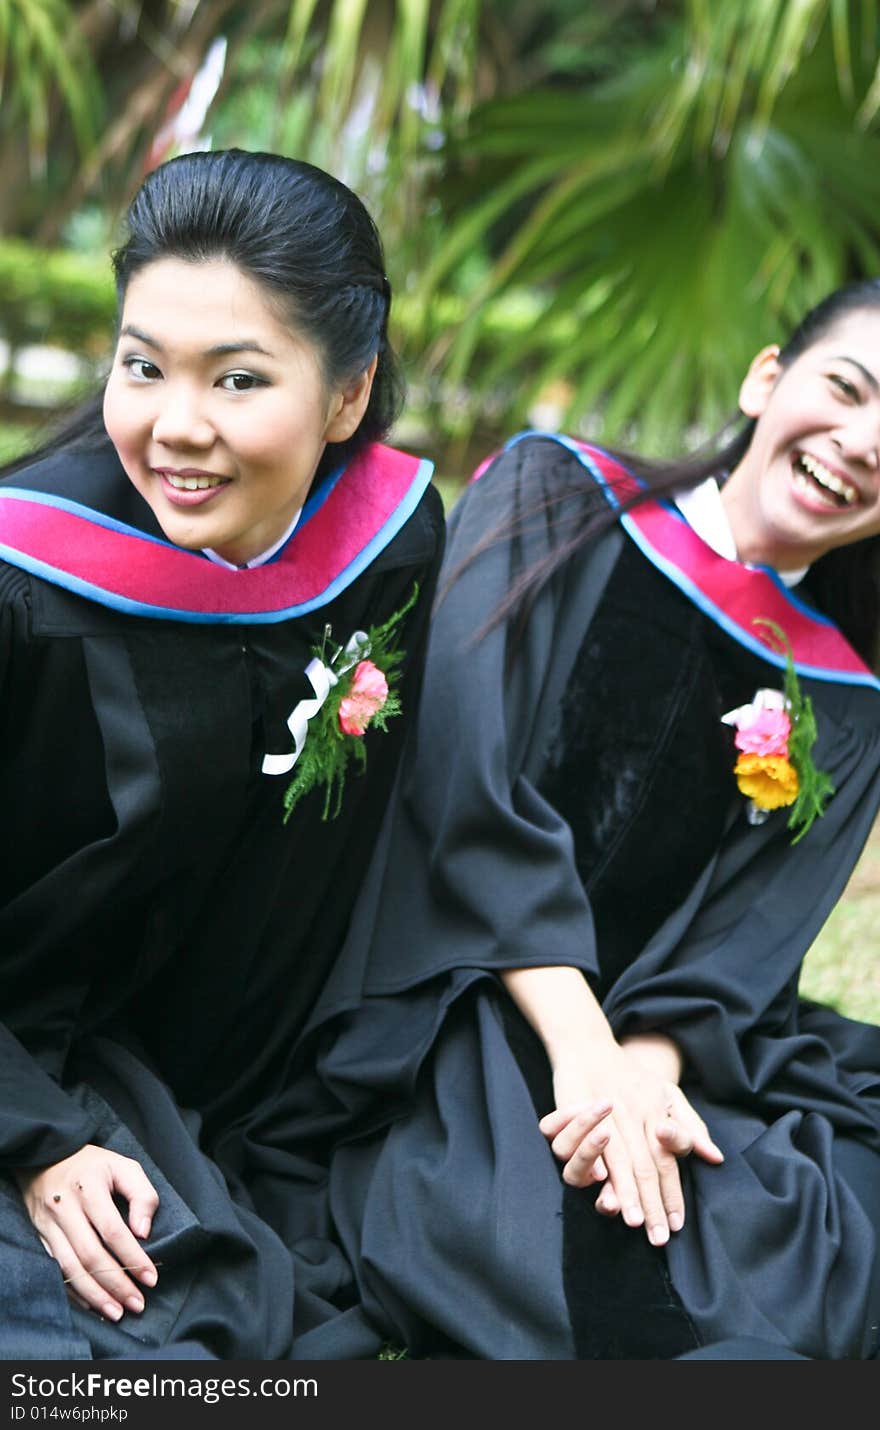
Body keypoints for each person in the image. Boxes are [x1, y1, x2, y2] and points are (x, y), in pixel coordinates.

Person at [277, 280, 880, 1360]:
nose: (864, 443)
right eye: (848, 388)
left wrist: (640, 1074)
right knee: (489, 1220)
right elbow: (462, 781)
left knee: (786, 1222)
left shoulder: (846, 691)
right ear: (766, 378)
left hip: (664, 1030)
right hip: (458, 969)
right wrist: (581, 1051)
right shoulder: (553, 498)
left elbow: (753, 927)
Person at [0, 148, 444, 1360]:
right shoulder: (24, 582)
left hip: (248, 1083)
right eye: (142, 367)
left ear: (346, 397)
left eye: (238, 379)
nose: (176, 426)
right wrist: (34, 1133)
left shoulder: (389, 543)